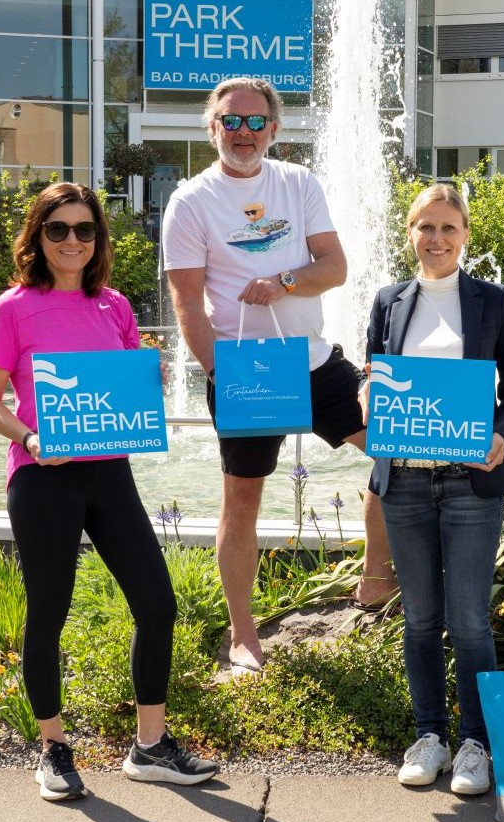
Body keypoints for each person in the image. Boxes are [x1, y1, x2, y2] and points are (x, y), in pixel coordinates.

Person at [0, 181, 219, 801]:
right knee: (48, 614)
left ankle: (150, 746)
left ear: (98, 239)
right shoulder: (13, 307)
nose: (72, 241)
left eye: (85, 230)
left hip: (109, 473)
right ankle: (54, 748)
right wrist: (28, 439)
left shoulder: (115, 306)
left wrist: (148, 379)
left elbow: (125, 391)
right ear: (38, 237)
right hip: (42, 478)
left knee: (157, 603)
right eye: (58, 230)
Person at [163, 77, 396, 676]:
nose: (243, 132)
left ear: (274, 128)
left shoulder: (298, 184)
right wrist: (222, 375)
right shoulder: (190, 201)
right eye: (230, 121)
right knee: (242, 497)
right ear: (211, 127)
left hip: (313, 360)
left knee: (397, 450)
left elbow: (335, 267)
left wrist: (285, 282)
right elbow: (187, 303)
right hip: (244, 370)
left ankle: (376, 583)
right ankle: (243, 634)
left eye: (255, 121)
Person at [365, 184, 504, 795]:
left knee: (468, 621)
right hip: (404, 482)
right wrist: (367, 396)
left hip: (470, 483)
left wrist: (502, 435)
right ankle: (430, 735)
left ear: (465, 235)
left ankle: (475, 745)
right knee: (418, 618)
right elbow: (375, 379)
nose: (436, 239)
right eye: (425, 227)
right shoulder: (389, 301)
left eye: (448, 228)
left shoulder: (493, 301)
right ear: (408, 232)